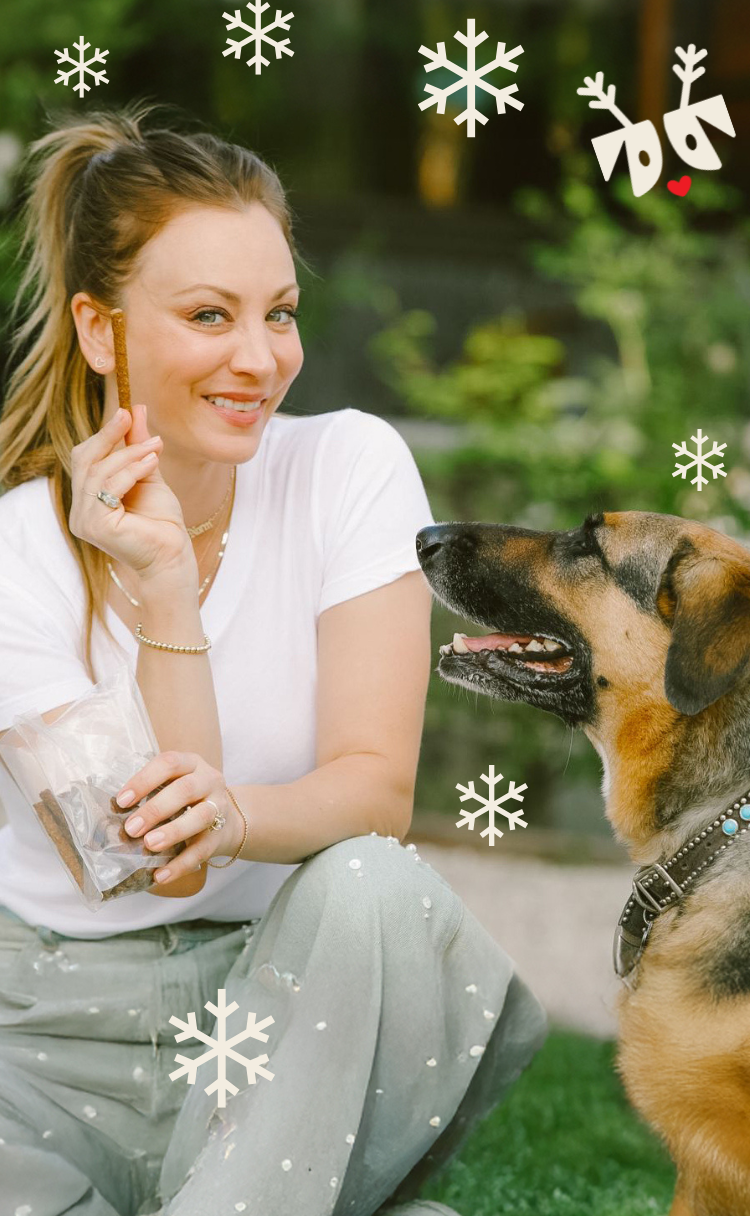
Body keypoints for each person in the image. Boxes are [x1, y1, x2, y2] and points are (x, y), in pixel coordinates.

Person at [0, 105, 547, 1216]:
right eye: (209, 314)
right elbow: (155, 858)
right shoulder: (16, 549)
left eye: (280, 313)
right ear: (102, 331)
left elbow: (373, 788)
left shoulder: (349, 467)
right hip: (52, 1054)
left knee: (372, 880)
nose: (261, 359)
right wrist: (159, 583)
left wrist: (234, 801)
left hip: (292, 1016)